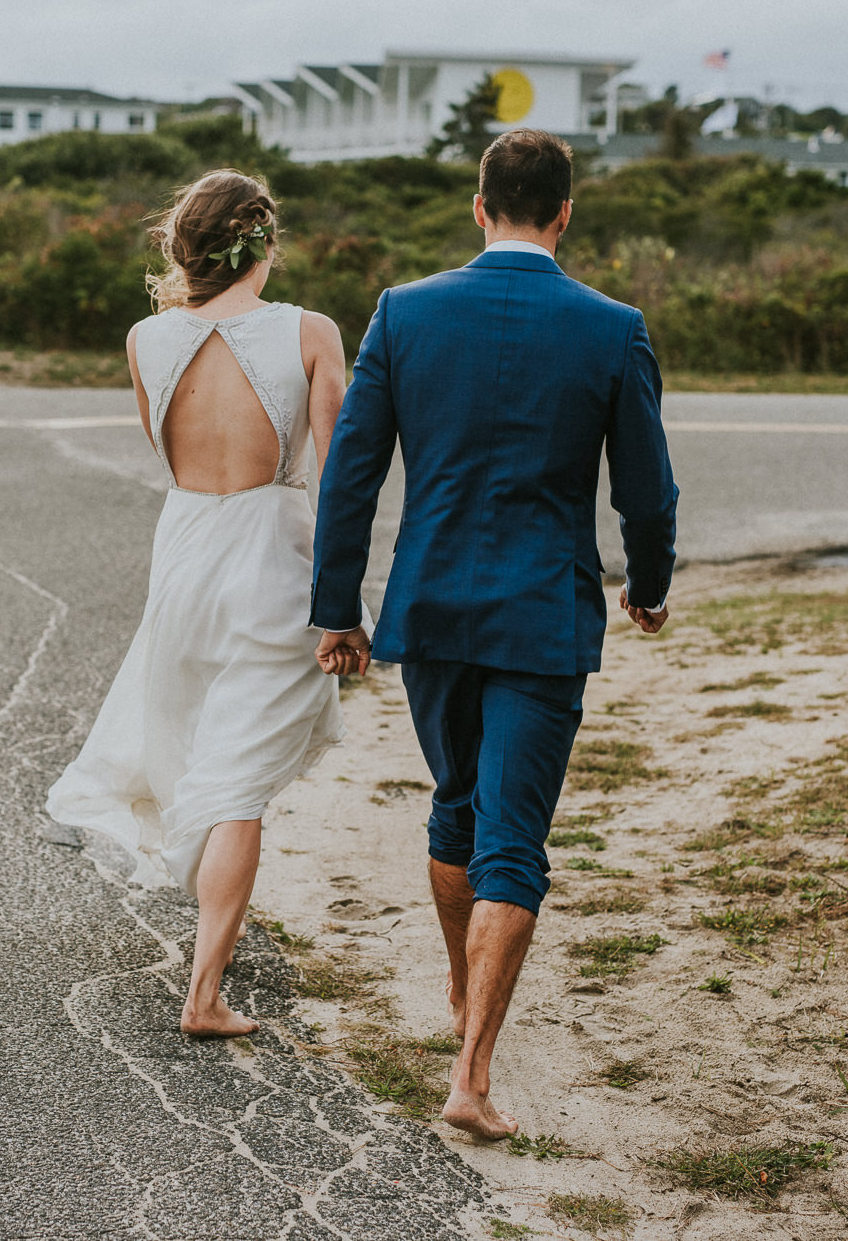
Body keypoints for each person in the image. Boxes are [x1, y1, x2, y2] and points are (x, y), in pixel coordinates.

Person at [310, 129, 678, 1139]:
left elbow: (351, 474)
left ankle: (462, 993)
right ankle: (469, 1076)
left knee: (459, 808)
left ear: (480, 208)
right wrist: (648, 585)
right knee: (513, 836)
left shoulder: (405, 311)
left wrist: (337, 609)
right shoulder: (612, 328)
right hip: (542, 616)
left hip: (429, 606)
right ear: (564, 214)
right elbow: (643, 492)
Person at [46, 169, 362, 1038]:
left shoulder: (145, 339)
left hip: (185, 547)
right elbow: (340, 475)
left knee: (197, 748)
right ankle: (204, 992)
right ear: (263, 242)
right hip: (274, 554)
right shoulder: (309, 332)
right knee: (238, 781)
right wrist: (346, 603)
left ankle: (206, 923)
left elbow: (164, 447)